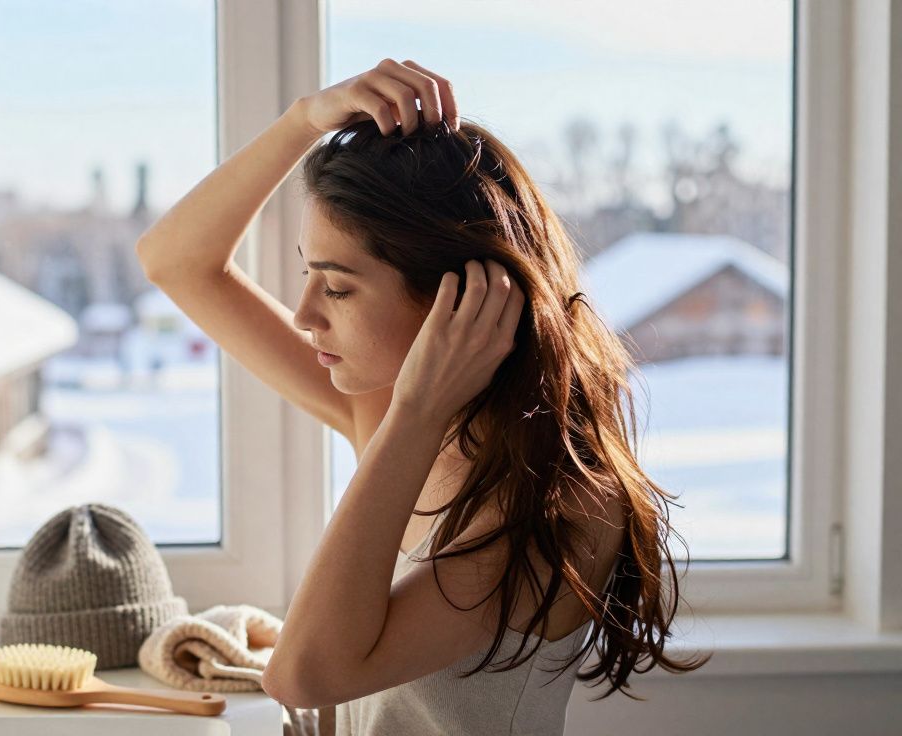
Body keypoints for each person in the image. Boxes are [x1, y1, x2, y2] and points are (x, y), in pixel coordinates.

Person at [136, 59, 708, 735]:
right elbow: (174, 260)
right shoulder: (388, 415)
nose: (304, 313)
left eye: (338, 287)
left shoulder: (561, 505)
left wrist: (414, 411)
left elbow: (302, 672)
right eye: (306, 272)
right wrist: (302, 121)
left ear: (456, 298)